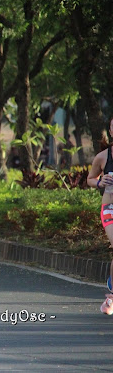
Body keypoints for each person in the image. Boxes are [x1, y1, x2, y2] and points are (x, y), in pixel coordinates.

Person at [86, 117, 113, 314]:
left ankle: (111, 294)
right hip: (110, 208)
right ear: (111, 131)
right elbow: (90, 179)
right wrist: (99, 182)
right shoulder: (103, 156)